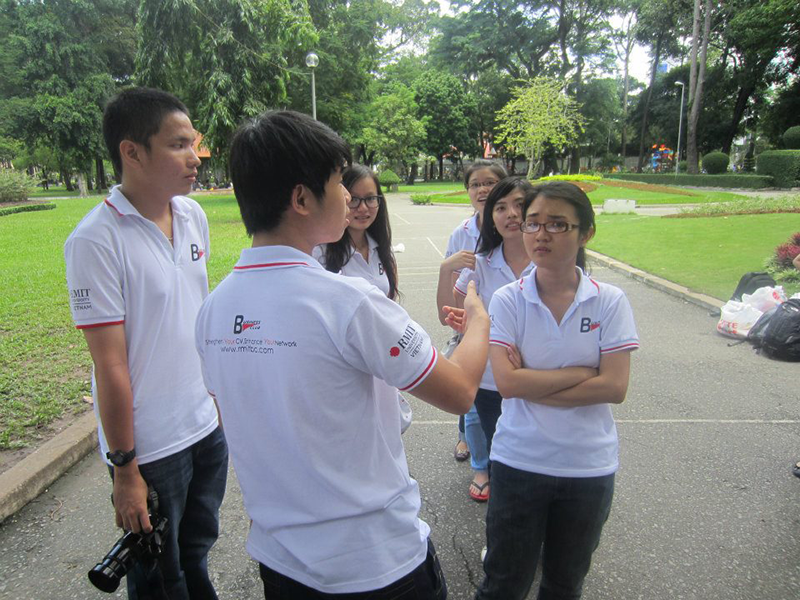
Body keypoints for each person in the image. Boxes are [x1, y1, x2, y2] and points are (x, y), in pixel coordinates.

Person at [194, 110, 490, 599]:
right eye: (339, 183)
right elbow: (459, 391)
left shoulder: (213, 309)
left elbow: (235, 420)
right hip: (378, 564)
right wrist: (478, 320)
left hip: (283, 564)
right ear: (302, 198)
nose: (350, 197)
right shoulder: (349, 301)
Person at [64, 87, 228, 599]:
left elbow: (193, 316)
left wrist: (216, 400)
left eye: (194, 143)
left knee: (198, 549)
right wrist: (125, 469)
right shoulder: (95, 240)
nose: (195, 156)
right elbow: (109, 367)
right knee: (159, 576)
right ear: (131, 152)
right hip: (152, 449)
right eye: (179, 144)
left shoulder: (192, 216)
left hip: (203, 428)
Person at [476, 181, 640, 600]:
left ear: (586, 233)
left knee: (564, 584)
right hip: (519, 461)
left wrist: (534, 382)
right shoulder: (508, 300)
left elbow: (615, 387)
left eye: (557, 225)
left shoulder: (609, 301)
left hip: (587, 468)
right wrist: (585, 372)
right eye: (532, 224)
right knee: (504, 584)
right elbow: (508, 383)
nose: (540, 234)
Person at [313, 163, 412, 433]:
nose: (363, 207)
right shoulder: (320, 253)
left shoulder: (382, 250)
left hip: (379, 363)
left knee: (385, 432)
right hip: (340, 366)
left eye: (371, 199)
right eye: (354, 199)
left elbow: (388, 305)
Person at [453, 177, 535, 500]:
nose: (512, 214)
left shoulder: (552, 263)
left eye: (520, 205)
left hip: (538, 381)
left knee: (531, 458)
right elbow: (458, 306)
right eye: (501, 207)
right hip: (490, 382)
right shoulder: (482, 263)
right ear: (491, 217)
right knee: (499, 451)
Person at [435, 160, 507, 492]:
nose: (482, 189)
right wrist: (447, 269)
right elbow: (452, 302)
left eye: (490, 182)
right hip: (471, 325)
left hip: (509, 333)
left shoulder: (515, 229)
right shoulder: (461, 233)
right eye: (475, 184)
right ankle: (478, 461)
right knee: (470, 393)